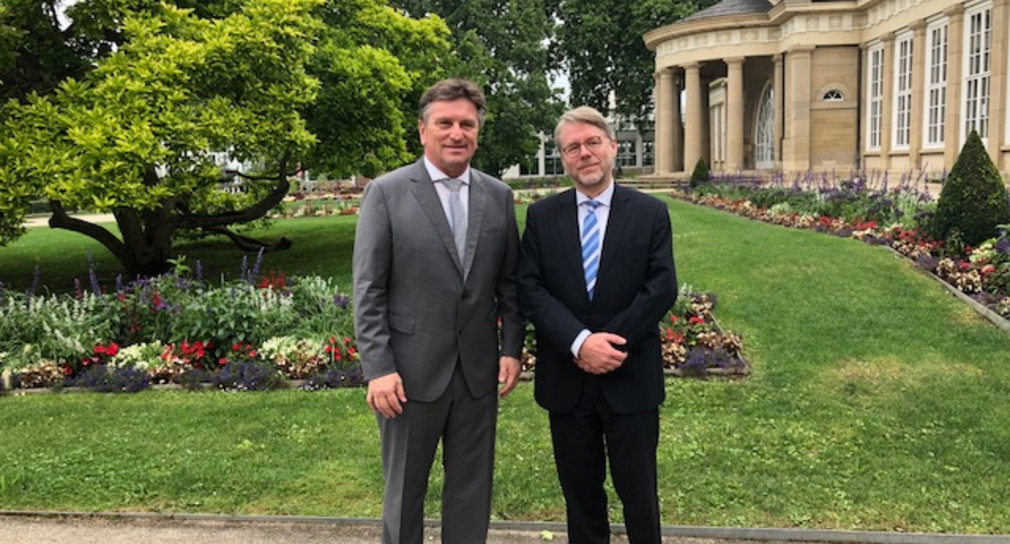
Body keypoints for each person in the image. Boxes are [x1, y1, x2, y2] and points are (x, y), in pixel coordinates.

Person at [352, 78, 524, 544]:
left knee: (471, 490)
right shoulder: (387, 194)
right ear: (423, 131)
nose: (456, 133)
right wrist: (378, 368)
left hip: (477, 373)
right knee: (405, 490)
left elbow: (509, 283)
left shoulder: (498, 196)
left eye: (466, 124)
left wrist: (511, 348)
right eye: (445, 123)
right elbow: (368, 289)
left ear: (478, 132)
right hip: (407, 376)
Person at [518, 106, 678, 544]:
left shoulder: (650, 213)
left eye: (592, 143)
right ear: (563, 158)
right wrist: (579, 341)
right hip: (567, 381)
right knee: (580, 495)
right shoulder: (542, 216)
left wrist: (610, 344)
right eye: (572, 147)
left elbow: (661, 286)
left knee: (639, 493)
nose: (584, 153)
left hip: (631, 377)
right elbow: (529, 288)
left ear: (612, 147)